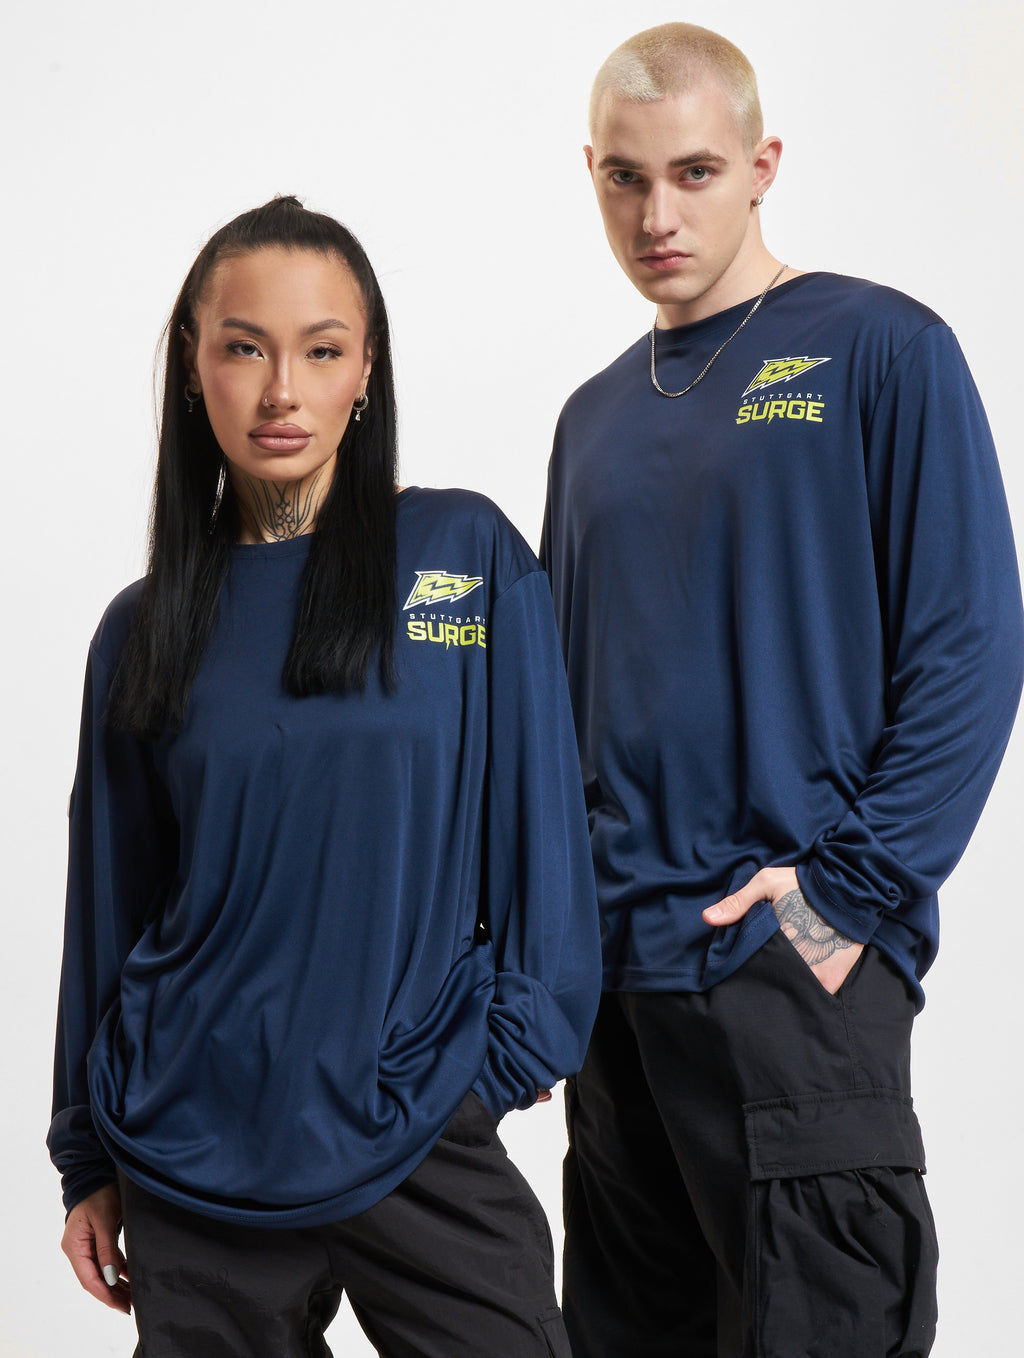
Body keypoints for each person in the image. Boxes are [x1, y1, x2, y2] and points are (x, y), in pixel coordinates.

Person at [541, 22, 1024, 1358]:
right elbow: (562, 710)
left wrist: (845, 895)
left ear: (762, 166)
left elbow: (971, 642)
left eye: (693, 172)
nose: (657, 215)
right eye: (626, 178)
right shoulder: (591, 419)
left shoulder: (880, 347)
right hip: (615, 994)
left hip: (791, 968)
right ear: (592, 174)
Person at [49, 195, 599, 1358]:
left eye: (321, 349)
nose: (281, 391)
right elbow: (109, 906)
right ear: (192, 366)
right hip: (195, 1142)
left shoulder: (462, 554)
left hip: (417, 1116)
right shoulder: (140, 630)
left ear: (367, 369)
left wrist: (502, 1059)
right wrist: (86, 1156)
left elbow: (542, 830)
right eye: (245, 347)